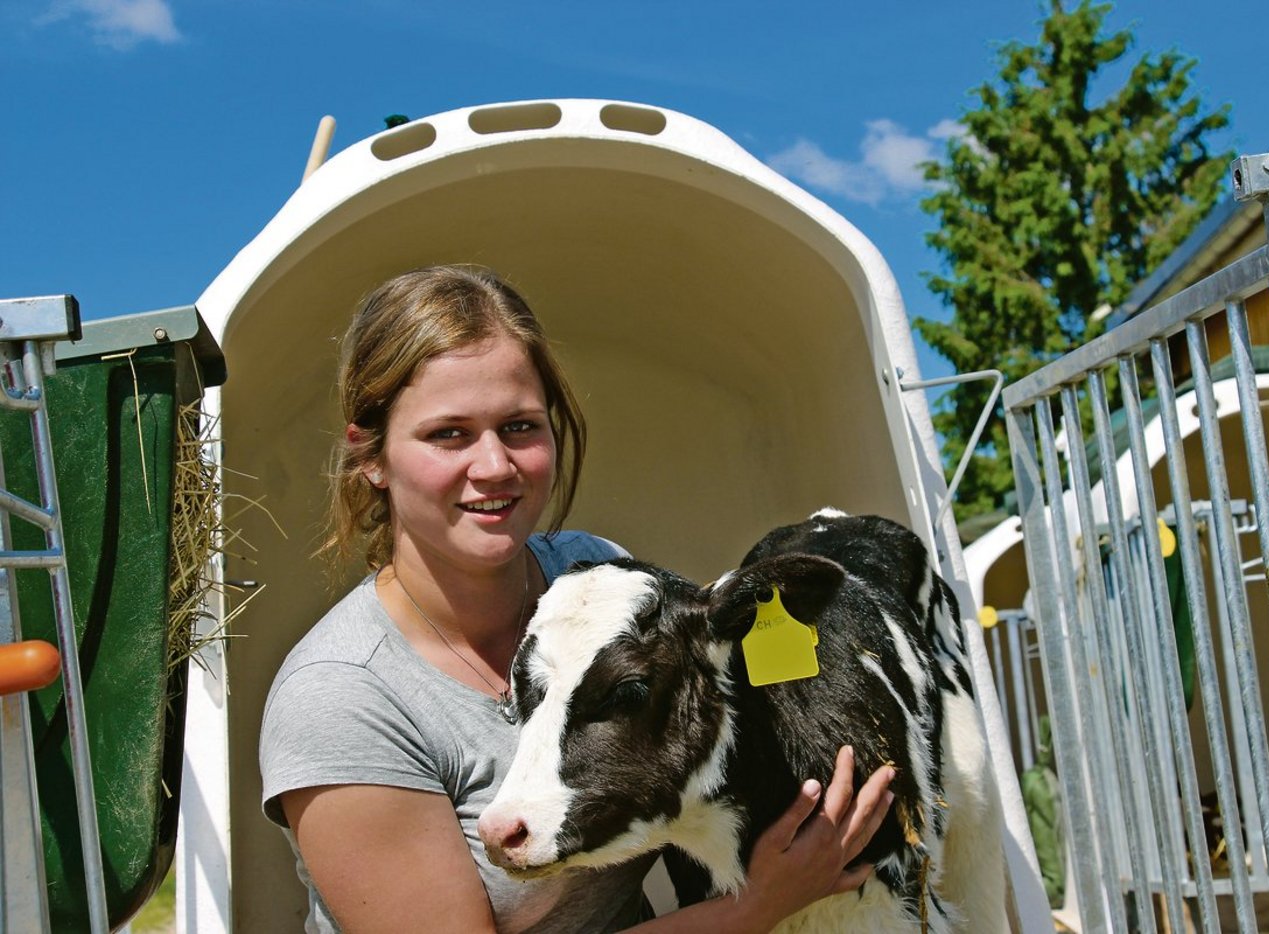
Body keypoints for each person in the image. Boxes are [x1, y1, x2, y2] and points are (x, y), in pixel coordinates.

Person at [259, 265, 897, 933]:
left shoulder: (595, 582)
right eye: (448, 433)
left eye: (520, 427)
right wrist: (759, 906)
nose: (494, 466)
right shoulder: (342, 699)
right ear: (371, 456)